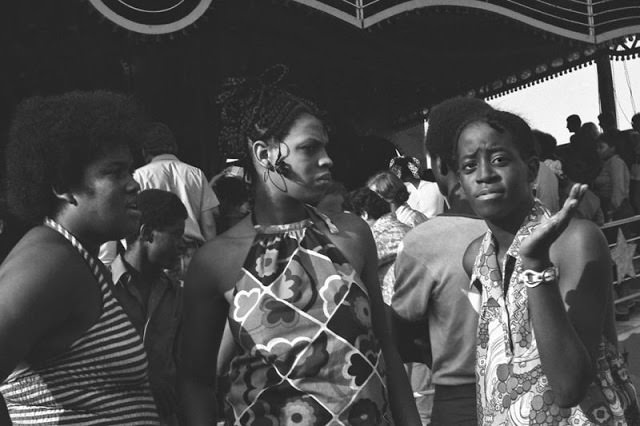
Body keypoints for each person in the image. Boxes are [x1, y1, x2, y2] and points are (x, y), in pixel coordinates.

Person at [178, 66, 420, 425]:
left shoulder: (351, 236)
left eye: (325, 146)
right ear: (264, 154)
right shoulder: (218, 260)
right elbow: (195, 381)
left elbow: (386, 348)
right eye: (309, 148)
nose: (327, 159)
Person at [456, 108, 639, 424]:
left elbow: (570, 387)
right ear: (460, 181)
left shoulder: (575, 241)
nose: (484, 174)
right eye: (470, 166)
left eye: (499, 160)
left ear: (530, 170)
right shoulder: (476, 258)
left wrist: (536, 265)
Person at [0, 91, 160, 424]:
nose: (133, 184)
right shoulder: (47, 264)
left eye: (130, 170)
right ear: (63, 186)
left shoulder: (76, 259)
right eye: (114, 172)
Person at [392, 96, 491, 425]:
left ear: (436, 163)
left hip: (460, 401)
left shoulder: (425, 241)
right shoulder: (557, 230)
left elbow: (402, 334)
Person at [109, 189, 187, 425]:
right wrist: (146, 377)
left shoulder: (177, 294)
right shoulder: (103, 291)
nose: (181, 244)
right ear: (147, 234)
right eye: (176, 234)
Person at [134, 122, 220, 275]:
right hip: (192, 254)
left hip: (156, 253)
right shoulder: (196, 174)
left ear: (144, 151)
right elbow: (209, 223)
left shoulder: (139, 176)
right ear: (174, 147)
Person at [593, 131, 632, 221]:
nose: (597, 150)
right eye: (597, 147)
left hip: (618, 210)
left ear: (612, 148)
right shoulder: (606, 164)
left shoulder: (616, 163)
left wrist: (612, 210)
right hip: (609, 207)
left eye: (601, 147)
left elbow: (618, 189)